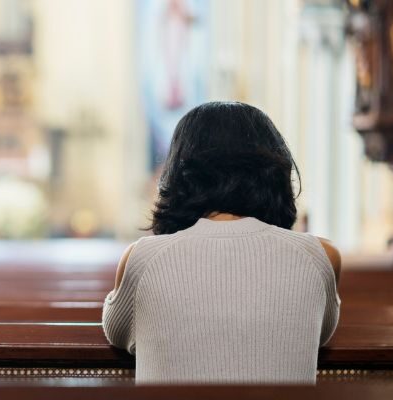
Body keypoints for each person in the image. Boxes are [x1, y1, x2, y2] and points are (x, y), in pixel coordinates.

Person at [102, 101, 340, 384]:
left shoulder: (141, 258)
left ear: (179, 174)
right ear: (274, 170)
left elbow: (117, 334)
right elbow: (319, 334)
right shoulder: (320, 256)